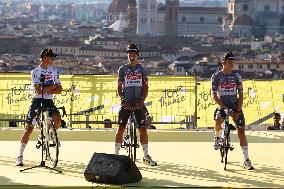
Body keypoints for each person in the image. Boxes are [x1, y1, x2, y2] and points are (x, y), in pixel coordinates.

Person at [16, 48, 62, 166]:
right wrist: (52, 87)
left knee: (57, 118)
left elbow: (60, 90)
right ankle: (20, 156)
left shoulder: (54, 71)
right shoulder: (35, 71)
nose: (53, 59)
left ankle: (50, 134)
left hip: (48, 101)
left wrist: (48, 88)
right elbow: (38, 90)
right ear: (45, 58)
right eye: (51, 57)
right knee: (29, 128)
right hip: (37, 100)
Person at [114, 43, 157, 166]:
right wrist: (123, 100)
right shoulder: (122, 69)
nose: (131, 57)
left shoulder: (142, 70)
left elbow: (145, 87)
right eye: (129, 55)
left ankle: (146, 156)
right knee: (121, 128)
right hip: (126, 101)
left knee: (143, 129)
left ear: (137, 56)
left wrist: (141, 100)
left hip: (138, 102)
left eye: (133, 55)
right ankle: (116, 156)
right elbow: (119, 86)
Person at [211, 51, 254, 170]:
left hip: (235, 106)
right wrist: (225, 108)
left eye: (233, 62)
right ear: (223, 62)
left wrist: (238, 111)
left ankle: (246, 160)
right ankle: (217, 137)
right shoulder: (216, 77)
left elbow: (241, 95)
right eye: (230, 62)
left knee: (241, 132)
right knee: (218, 120)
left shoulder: (237, 76)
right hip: (223, 105)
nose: (232, 64)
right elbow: (214, 96)